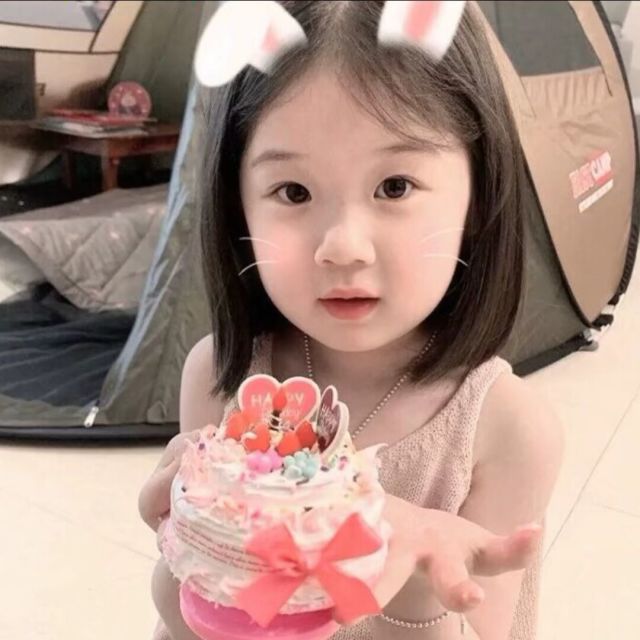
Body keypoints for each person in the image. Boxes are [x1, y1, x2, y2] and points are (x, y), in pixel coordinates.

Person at [138, 1, 564, 638]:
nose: (342, 247)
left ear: (478, 194)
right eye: (293, 191)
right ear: (237, 207)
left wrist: (416, 580)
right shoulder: (222, 378)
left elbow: (497, 626)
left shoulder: (507, 430)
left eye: (395, 186)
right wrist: (187, 546)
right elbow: (190, 620)